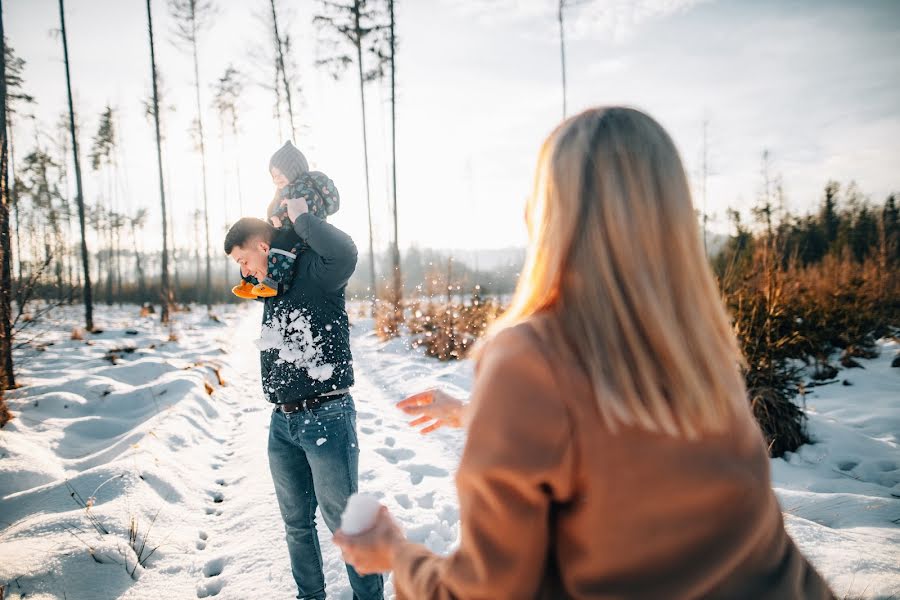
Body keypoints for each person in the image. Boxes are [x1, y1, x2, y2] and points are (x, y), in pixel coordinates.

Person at [333, 107, 835, 599]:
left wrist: (396, 554)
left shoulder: (530, 357)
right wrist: (473, 414)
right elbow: (620, 438)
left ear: (548, 213)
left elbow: (486, 592)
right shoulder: (697, 349)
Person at [224, 199, 383, 600]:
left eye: (243, 260)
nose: (244, 272)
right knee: (296, 524)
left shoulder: (315, 271)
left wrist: (302, 219)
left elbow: (345, 252)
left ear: (261, 247)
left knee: (346, 523)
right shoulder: (272, 286)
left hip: (327, 415)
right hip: (283, 423)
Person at [232, 141, 341, 299]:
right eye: (273, 175)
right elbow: (275, 207)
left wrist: (284, 216)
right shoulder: (283, 191)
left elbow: (306, 210)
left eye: (279, 174)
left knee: (280, 246)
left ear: (292, 170)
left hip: (304, 234)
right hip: (288, 230)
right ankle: (250, 283)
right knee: (258, 250)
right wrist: (273, 219)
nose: (275, 179)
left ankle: (276, 283)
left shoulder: (305, 188)